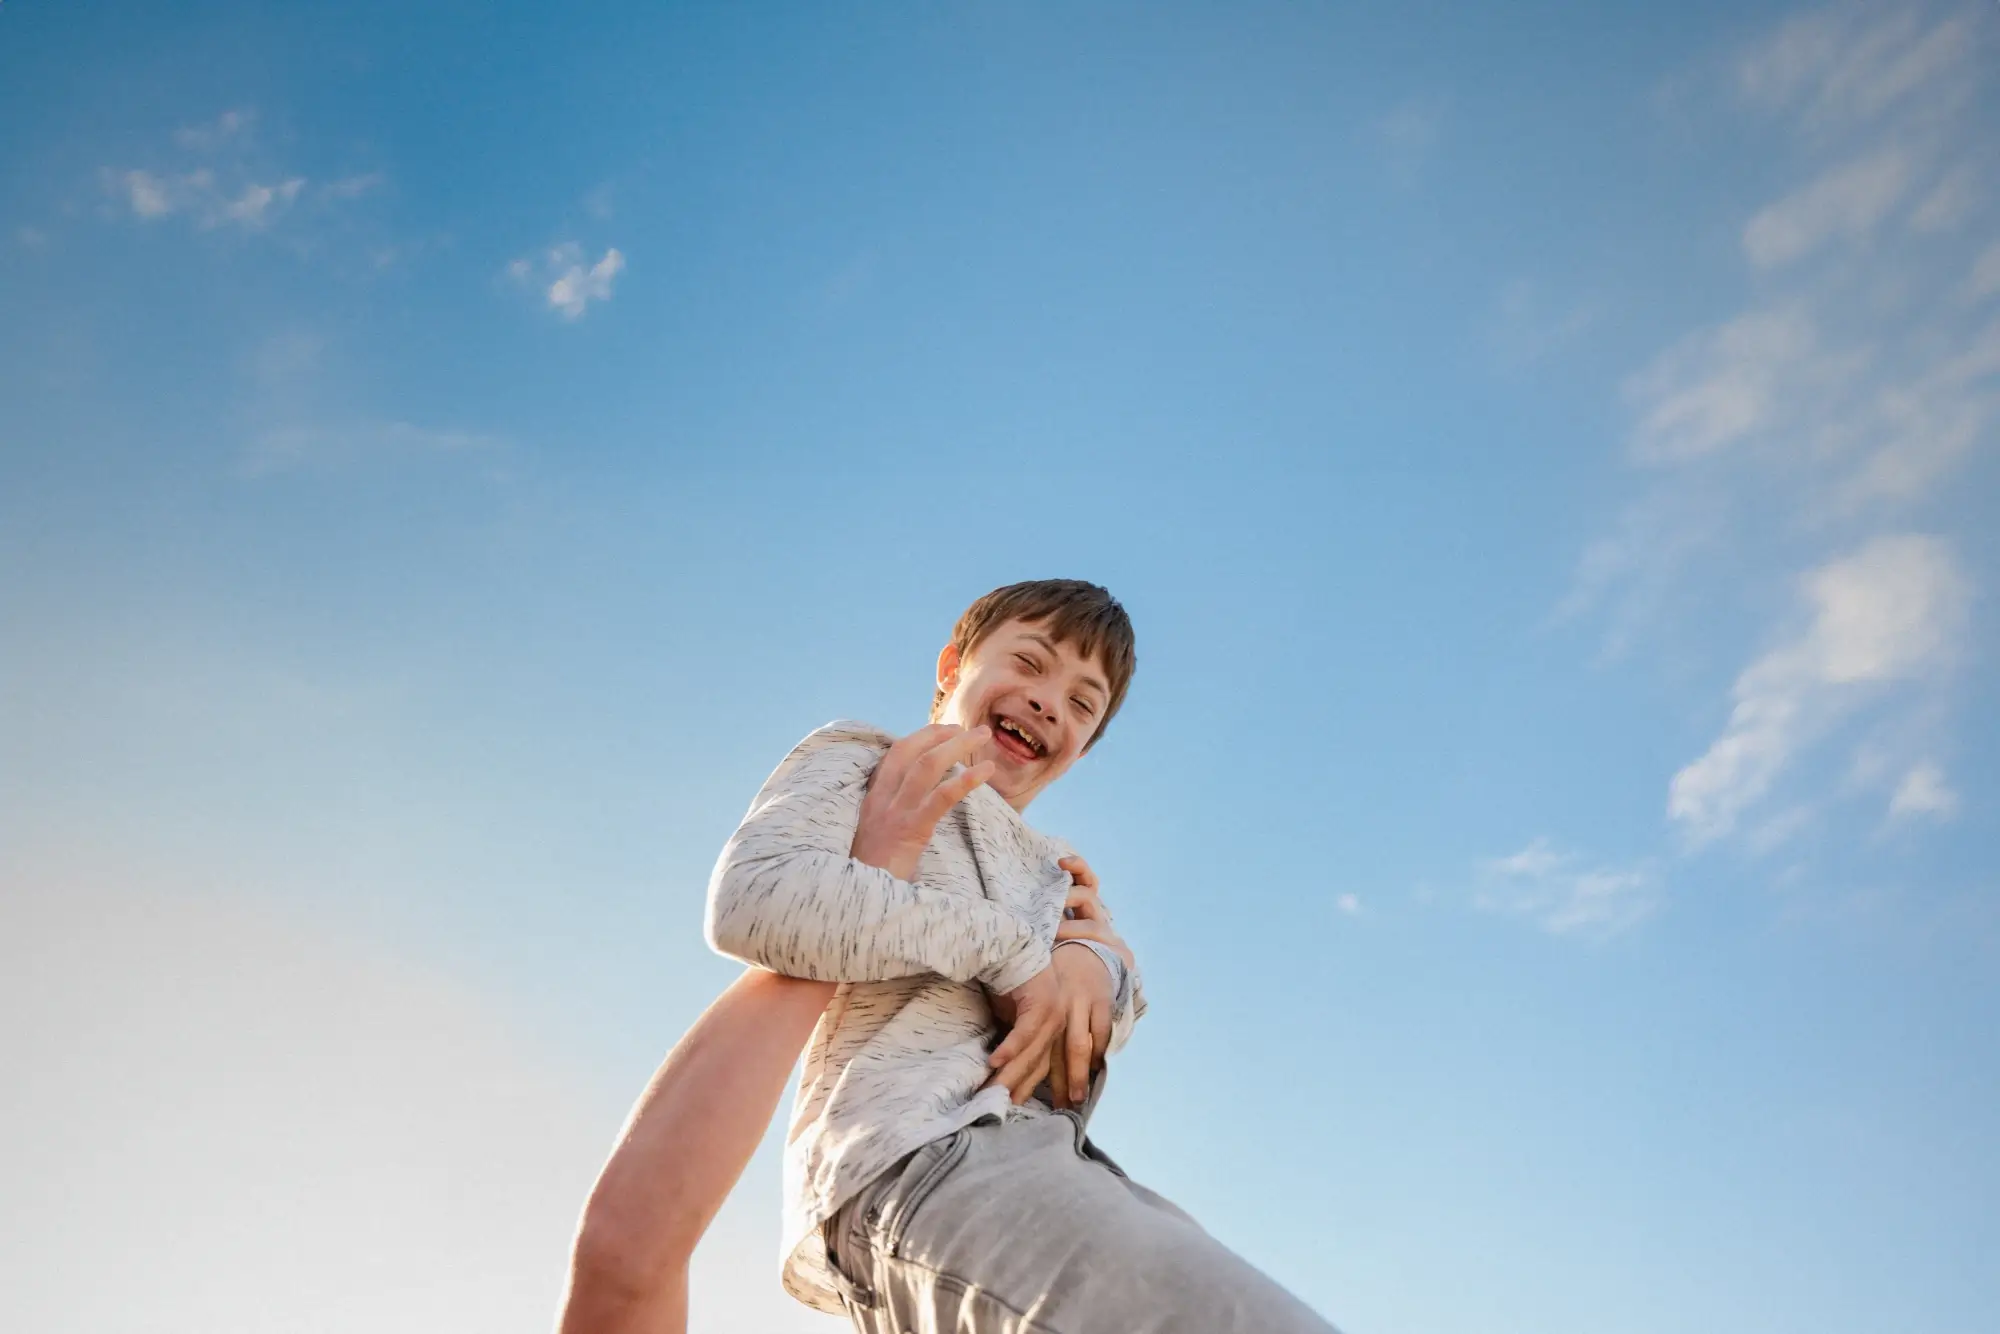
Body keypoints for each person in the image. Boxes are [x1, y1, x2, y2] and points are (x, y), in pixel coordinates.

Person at [560, 580, 1335, 1332]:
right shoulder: (869, 760)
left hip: (1058, 1159)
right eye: (1029, 663)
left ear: (1082, 750)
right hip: (926, 1151)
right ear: (951, 667)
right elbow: (757, 900)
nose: (1048, 702)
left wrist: (1096, 966)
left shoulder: (1057, 870)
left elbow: (1106, 1013)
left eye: (1082, 704)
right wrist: (1010, 952)